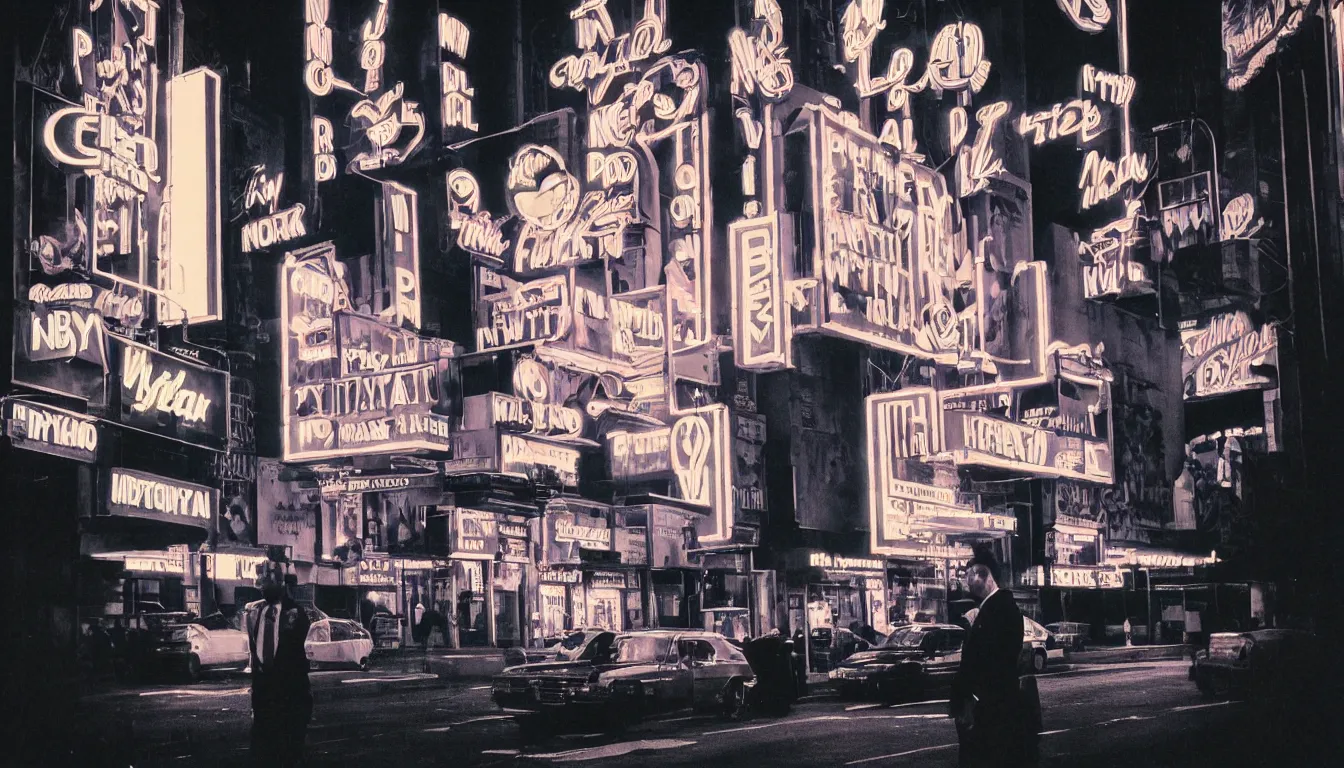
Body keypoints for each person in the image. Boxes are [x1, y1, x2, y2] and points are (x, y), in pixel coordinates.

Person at [950, 549, 1035, 768]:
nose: (967, 582)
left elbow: (986, 662)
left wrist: (971, 702)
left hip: (988, 709)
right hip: (994, 705)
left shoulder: (994, 612)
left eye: (971, 576)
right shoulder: (995, 609)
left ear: (984, 575)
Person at [245, 567, 313, 767]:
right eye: (262, 585)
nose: (264, 589)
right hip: (263, 690)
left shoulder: (296, 613)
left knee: (288, 745)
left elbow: (302, 651)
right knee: (263, 744)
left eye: (269, 584)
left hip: (289, 689)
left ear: (281, 586)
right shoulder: (256, 612)